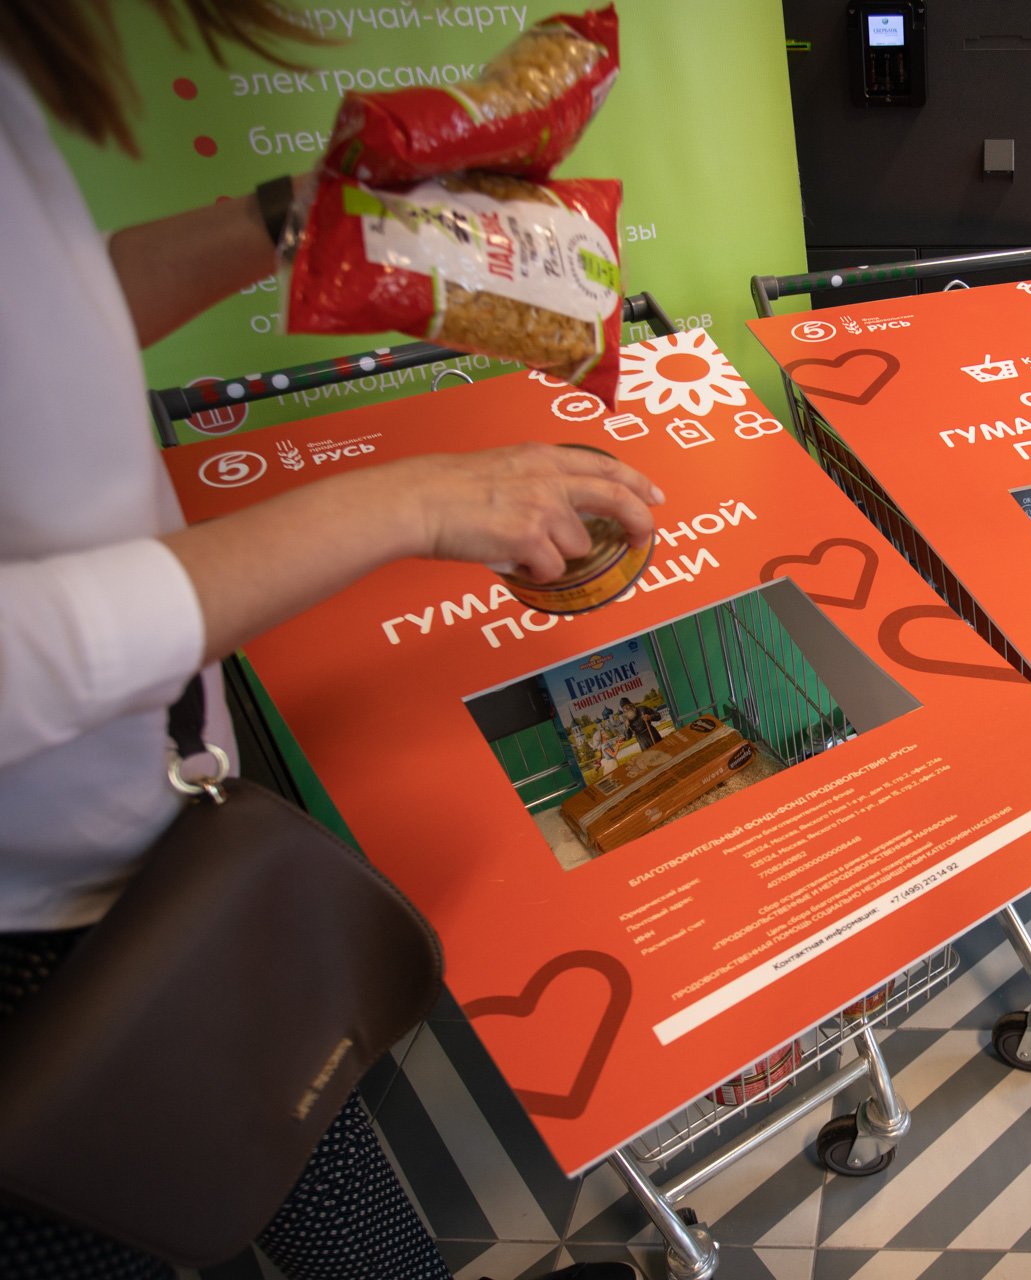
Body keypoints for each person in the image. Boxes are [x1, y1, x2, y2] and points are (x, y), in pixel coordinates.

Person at [0, 3, 652, 1276]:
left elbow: (43, 335)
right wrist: (408, 503)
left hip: (174, 833)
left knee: (331, 1175)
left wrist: (308, 216)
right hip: (32, 942)